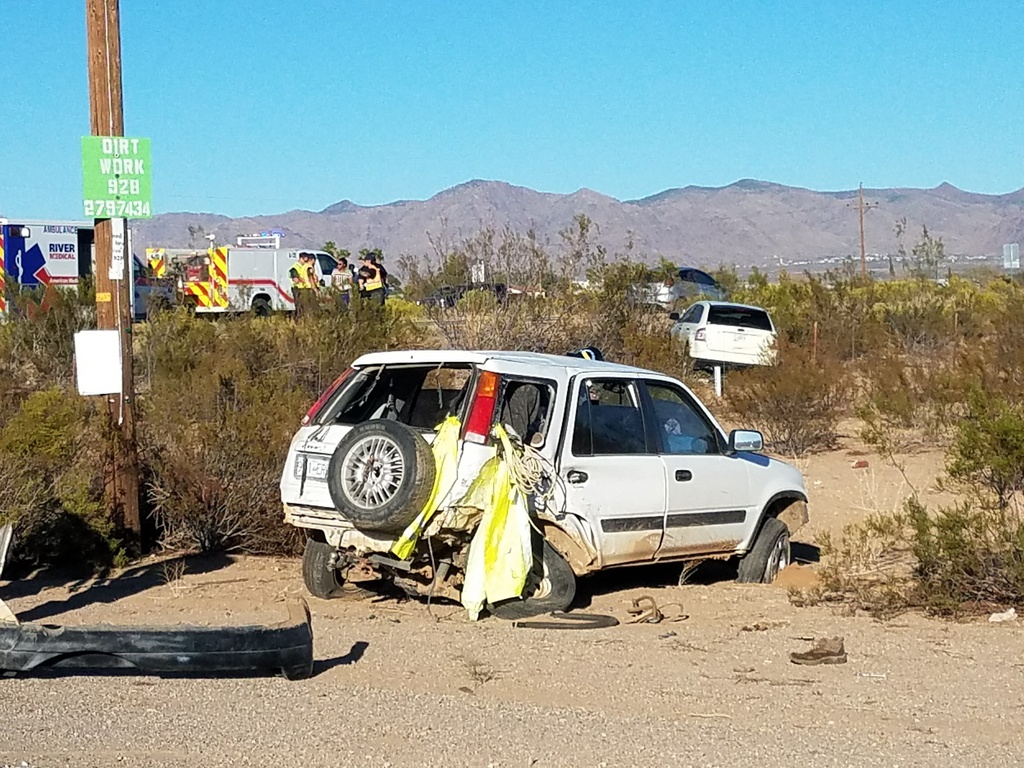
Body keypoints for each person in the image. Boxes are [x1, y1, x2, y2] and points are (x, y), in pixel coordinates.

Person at [289, 252, 318, 317]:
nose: (307, 261)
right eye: (306, 259)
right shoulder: (295, 267)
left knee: (302, 307)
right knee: (300, 306)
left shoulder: (303, 266)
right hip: (298, 288)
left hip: (302, 288)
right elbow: (295, 279)